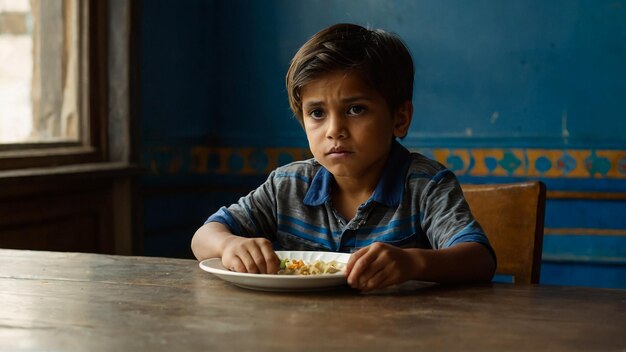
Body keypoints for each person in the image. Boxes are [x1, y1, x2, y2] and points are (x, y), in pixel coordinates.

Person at [191, 23, 496, 291]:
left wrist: (414, 263)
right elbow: (204, 236)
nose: (334, 130)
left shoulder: (425, 186)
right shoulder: (288, 186)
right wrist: (229, 244)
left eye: (355, 109)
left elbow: (479, 259)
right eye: (317, 113)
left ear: (399, 119)